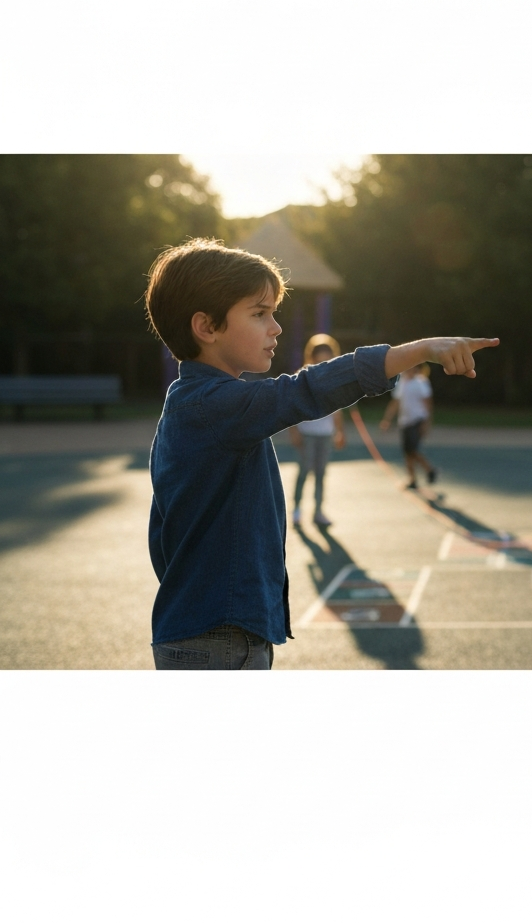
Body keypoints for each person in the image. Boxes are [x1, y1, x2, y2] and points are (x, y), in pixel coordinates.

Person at [144, 237, 499, 669]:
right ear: (207, 327)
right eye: (259, 314)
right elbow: (305, 391)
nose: (275, 327)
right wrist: (419, 350)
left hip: (207, 629)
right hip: (218, 637)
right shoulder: (213, 406)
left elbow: (161, 534)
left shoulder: (189, 404)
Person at [290, 333, 346, 527]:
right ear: (312, 357)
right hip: (307, 433)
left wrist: (340, 432)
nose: (324, 363)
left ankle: (318, 511)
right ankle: (296, 509)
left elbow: (337, 409)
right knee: (305, 470)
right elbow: (292, 406)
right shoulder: (303, 376)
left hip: (325, 433)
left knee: (321, 472)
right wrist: (294, 431)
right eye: (319, 358)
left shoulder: (335, 378)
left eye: (327, 358)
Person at [379, 363, 435, 489]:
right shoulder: (401, 383)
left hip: (417, 420)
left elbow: (428, 404)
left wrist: (427, 423)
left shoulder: (421, 383)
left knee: (412, 450)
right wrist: (387, 419)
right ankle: (414, 478)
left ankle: (428, 469)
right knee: (408, 452)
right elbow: (395, 403)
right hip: (405, 422)